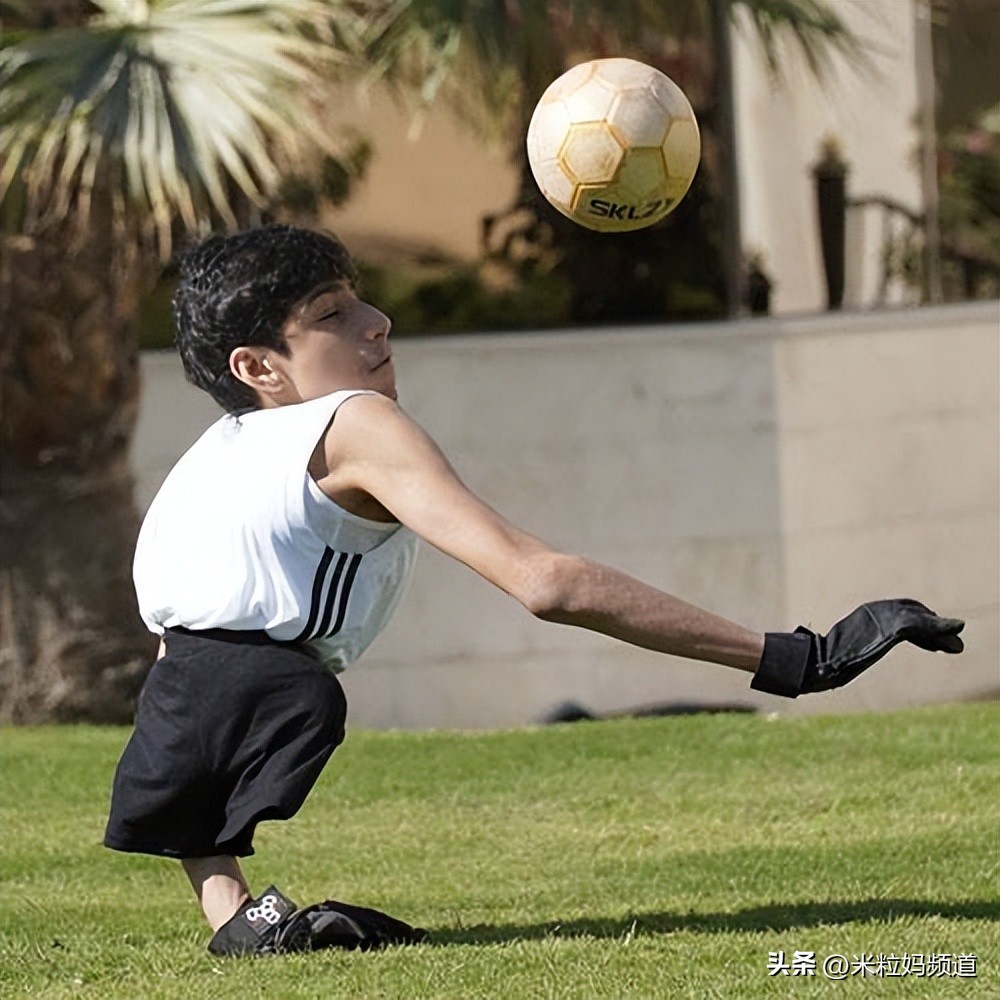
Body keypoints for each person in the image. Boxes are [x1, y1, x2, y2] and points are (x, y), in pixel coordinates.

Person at [104, 223, 965, 957]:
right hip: (262, 687)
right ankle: (250, 918)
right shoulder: (357, 423)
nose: (377, 321)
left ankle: (240, 918)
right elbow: (543, 582)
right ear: (259, 366)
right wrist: (795, 657)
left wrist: (225, 891)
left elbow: (187, 662)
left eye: (360, 299)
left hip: (181, 682)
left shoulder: (214, 452)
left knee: (244, 741)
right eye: (333, 315)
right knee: (288, 693)